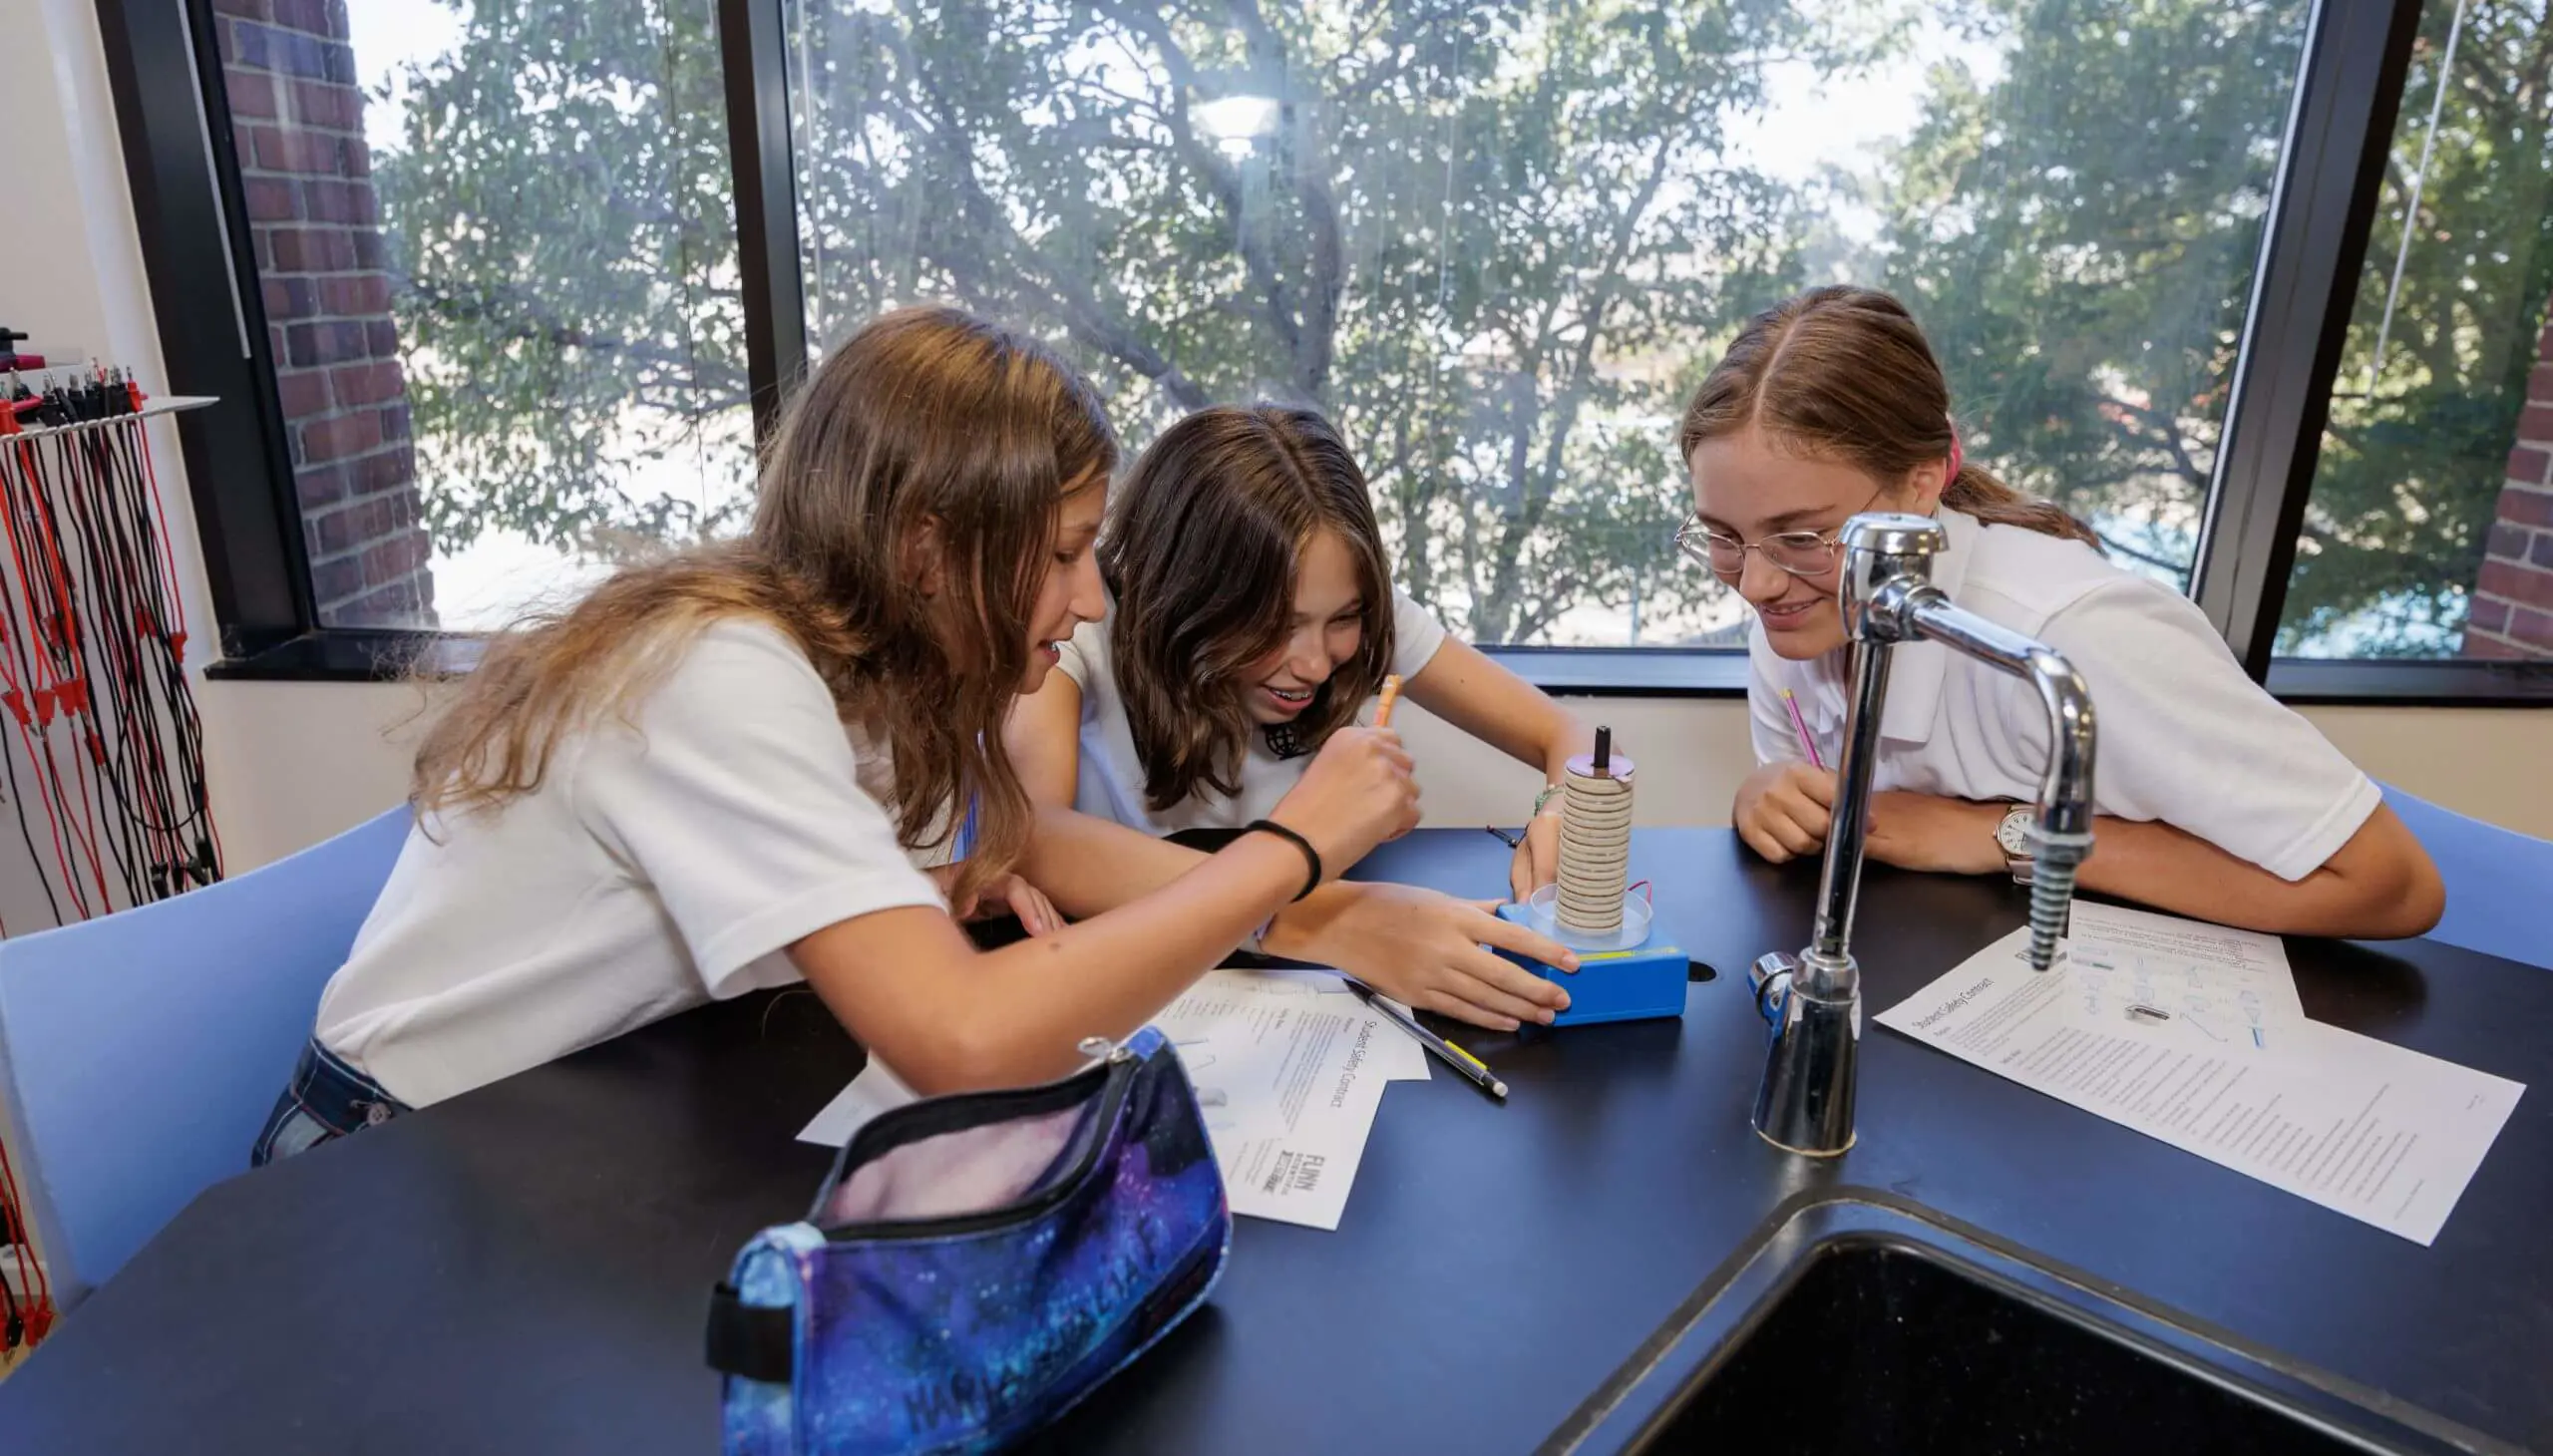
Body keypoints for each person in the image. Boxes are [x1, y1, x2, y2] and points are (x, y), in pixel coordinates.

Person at [252, 308, 1421, 1165]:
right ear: (926, 548)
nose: (1091, 598)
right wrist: (1290, 854)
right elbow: (961, 1038)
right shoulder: (716, 670)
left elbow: (1020, 843)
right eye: (1066, 552)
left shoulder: (885, 676)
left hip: (580, 1118)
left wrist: (1337, 916)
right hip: (391, 1152)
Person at [1680, 285, 2442, 938]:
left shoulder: (2076, 633)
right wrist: (1767, 796)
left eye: (1802, 536)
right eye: (1722, 535)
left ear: (1920, 485)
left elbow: (2391, 884)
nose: (1756, 585)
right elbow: (1810, 802)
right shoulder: (1799, 607)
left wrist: (2000, 833)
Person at [1006, 404, 1591, 1029]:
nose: (1313, 665)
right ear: (1185, 596)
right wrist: (1333, 923)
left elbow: (1570, 736)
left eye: (1343, 619)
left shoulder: (1347, 597)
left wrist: (1561, 808)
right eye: (1276, 625)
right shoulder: (1079, 626)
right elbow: (1035, 838)